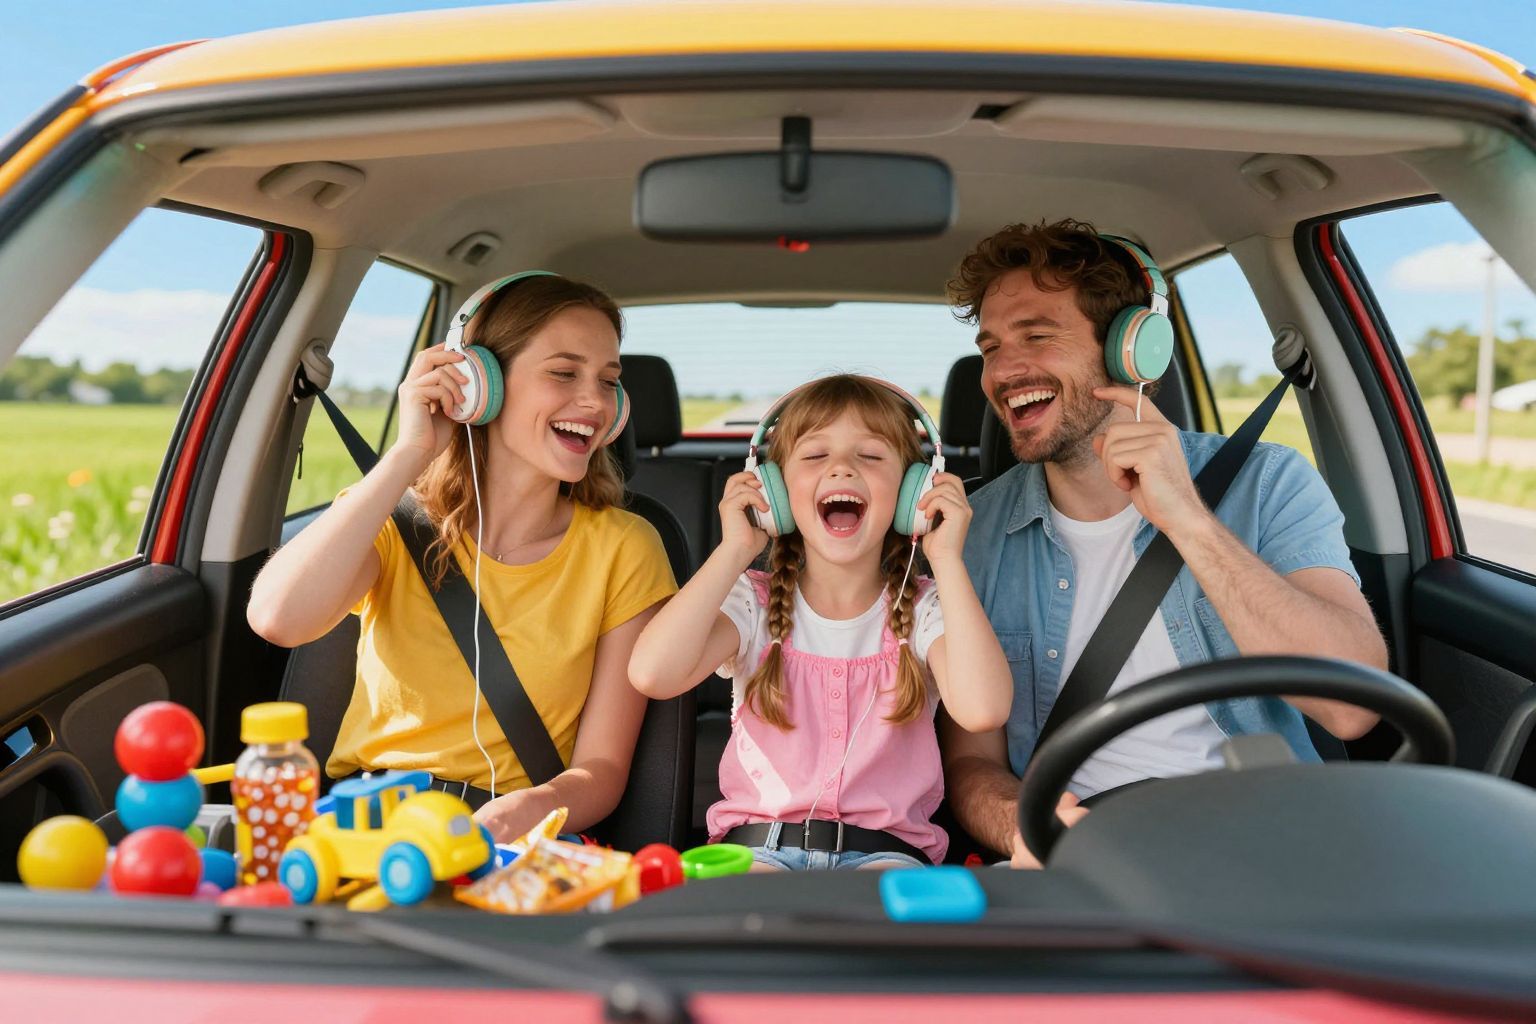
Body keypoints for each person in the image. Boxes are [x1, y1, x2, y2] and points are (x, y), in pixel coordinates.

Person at [940, 220, 1388, 867]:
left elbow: (1350, 707)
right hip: (1086, 849)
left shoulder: (1269, 482)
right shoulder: (971, 532)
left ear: (1133, 350)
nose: (1004, 370)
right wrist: (1022, 828)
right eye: (990, 347)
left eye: (1037, 336)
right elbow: (969, 761)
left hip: (1269, 833)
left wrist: (1191, 523)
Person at [247, 272, 676, 843]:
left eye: (608, 380)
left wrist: (529, 811)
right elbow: (279, 619)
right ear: (479, 384)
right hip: (370, 826)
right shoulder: (393, 523)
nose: (595, 401)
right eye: (563, 373)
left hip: (516, 835)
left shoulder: (626, 546)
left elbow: (603, 771)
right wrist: (409, 453)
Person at [630, 374, 1012, 869]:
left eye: (870, 456)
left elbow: (984, 710)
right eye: (814, 457)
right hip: (757, 848)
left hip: (887, 854)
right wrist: (735, 549)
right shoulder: (754, 601)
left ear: (910, 494)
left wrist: (947, 561)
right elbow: (653, 674)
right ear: (778, 494)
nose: (842, 470)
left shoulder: (925, 608)